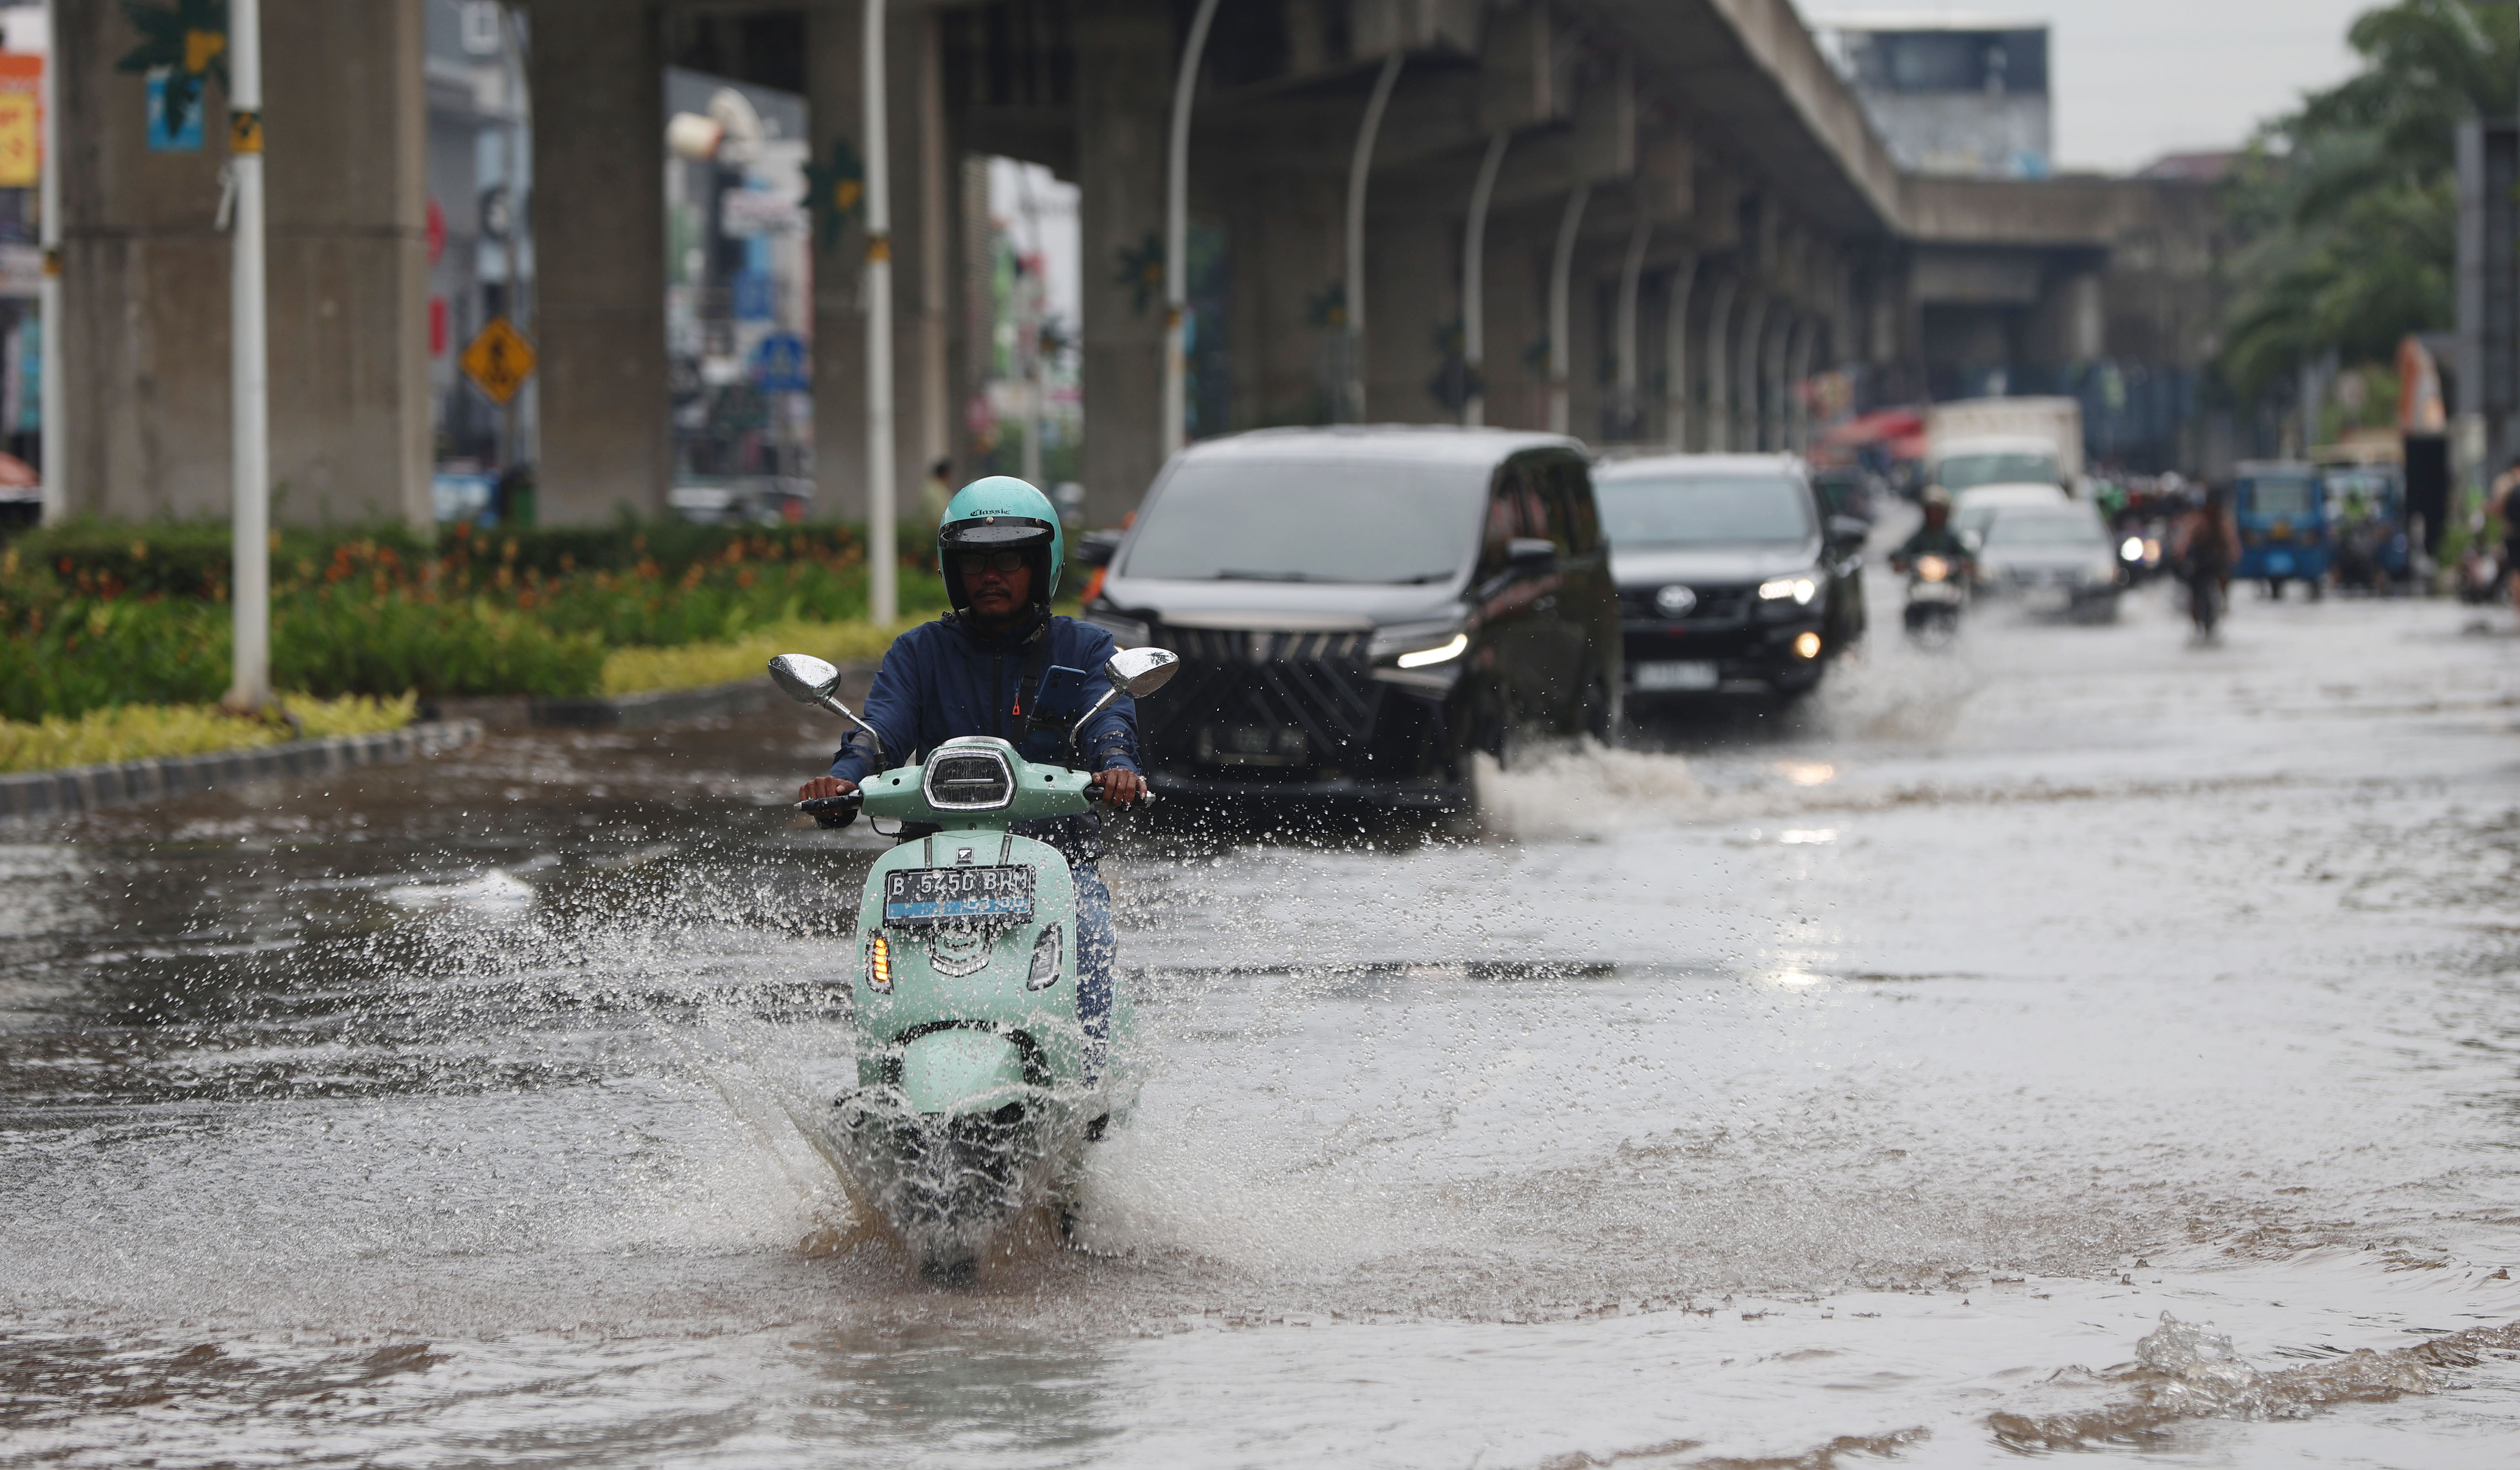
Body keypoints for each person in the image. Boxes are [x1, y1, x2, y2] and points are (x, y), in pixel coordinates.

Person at [796, 477, 1148, 1059]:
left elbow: (1107, 723)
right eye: (975, 562)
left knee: (1086, 921)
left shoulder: (1086, 649)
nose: (991, 575)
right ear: (952, 569)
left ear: (1041, 564)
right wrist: (846, 777)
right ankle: (881, 1075)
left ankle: (1087, 1089)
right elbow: (880, 730)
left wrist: (1116, 767)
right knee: (879, 953)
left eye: (1009, 559)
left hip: (1053, 861)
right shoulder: (919, 652)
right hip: (934, 872)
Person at [2171, 485, 2239, 637]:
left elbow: (2231, 540)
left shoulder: (2222, 520)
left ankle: (2224, 605)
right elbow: (2185, 540)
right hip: (2199, 563)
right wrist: (2179, 554)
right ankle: (2195, 613)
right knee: (2194, 590)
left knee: (2224, 579)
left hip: (2216, 562)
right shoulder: (2198, 519)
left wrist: (2234, 553)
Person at [1889, 487, 1974, 578]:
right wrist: (1901, 560)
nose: (1934, 516)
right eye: (1931, 512)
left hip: (1949, 580)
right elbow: (1906, 550)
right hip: (1921, 580)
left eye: (1938, 512)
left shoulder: (1950, 536)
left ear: (1945, 513)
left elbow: (1965, 552)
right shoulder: (1920, 535)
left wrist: (1967, 562)